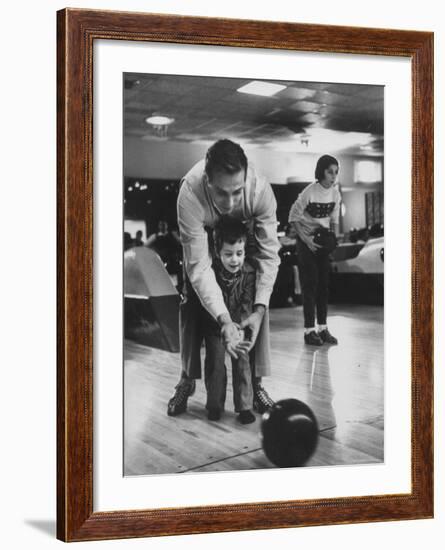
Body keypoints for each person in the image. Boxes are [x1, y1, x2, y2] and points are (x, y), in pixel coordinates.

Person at [167, 139, 280, 416]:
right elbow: (199, 268)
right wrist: (225, 320)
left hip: (239, 244)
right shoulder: (190, 194)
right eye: (221, 193)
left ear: (246, 179)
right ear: (207, 181)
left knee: (257, 305)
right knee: (191, 301)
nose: (229, 203)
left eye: (237, 192)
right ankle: (186, 380)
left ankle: (256, 385)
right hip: (206, 249)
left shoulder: (261, 191)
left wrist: (259, 309)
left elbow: (268, 256)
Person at [202, 216, 256, 424]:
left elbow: (247, 303)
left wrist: (239, 328)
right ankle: (215, 405)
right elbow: (208, 300)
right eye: (228, 254)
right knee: (215, 362)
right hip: (215, 326)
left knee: (242, 360)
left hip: (239, 326)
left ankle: (244, 407)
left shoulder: (248, 273)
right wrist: (223, 325)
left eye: (239, 254)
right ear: (217, 253)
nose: (235, 260)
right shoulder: (210, 273)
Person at [288, 154, 341, 346]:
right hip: (306, 242)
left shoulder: (335, 194)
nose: (333, 176)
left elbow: (334, 220)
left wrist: (333, 241)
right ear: (321, 172)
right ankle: (309, 331)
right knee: (309, 286)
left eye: (336, 172)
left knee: (323, 287)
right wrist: (306, 240)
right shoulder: (309, 192)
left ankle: (323, 328)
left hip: (322, 240)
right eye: (329, 172)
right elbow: (293, 217)